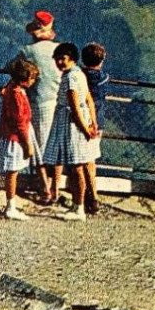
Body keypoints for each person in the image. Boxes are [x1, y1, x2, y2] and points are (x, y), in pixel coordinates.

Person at [41, 43, 100, 221]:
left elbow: (74, 106)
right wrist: (93, 122)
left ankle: (79, 208)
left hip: (72, 124)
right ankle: (77, 205)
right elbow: (88, 98)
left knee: (76, 168)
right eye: (57, 59)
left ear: (72, 59)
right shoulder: (78, 73)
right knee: (77, 166)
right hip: (81, 121)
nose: (59, 62)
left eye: (63, 59)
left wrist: (85, 129)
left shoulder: (70, 78)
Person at [16, 11, 63, 205]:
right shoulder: (61, 50)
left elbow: (14, 69)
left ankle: (45, 190)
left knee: (39, 147)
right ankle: (56, 187)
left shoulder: (28, 52)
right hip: (60, 103)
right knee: (57, 147)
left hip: (39, 103)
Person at [0, 58, 38, 221]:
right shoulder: (17, 96)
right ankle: (10, 206)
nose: (34, 81)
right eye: (32, 78)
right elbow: (20, 123)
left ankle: (10, 204)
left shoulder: (11, 89)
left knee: (11, 173)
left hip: (9, 136)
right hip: (16, 139)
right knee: (13, 173)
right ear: (24, 79)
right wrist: (28, 145)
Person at [80, 43, 110, 216]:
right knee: (90, 159)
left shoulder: (80, 76)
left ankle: (88, 196)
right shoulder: (104, 78)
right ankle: (93, 196)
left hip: (83, 120)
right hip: (98, 122)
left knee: (82, 159)